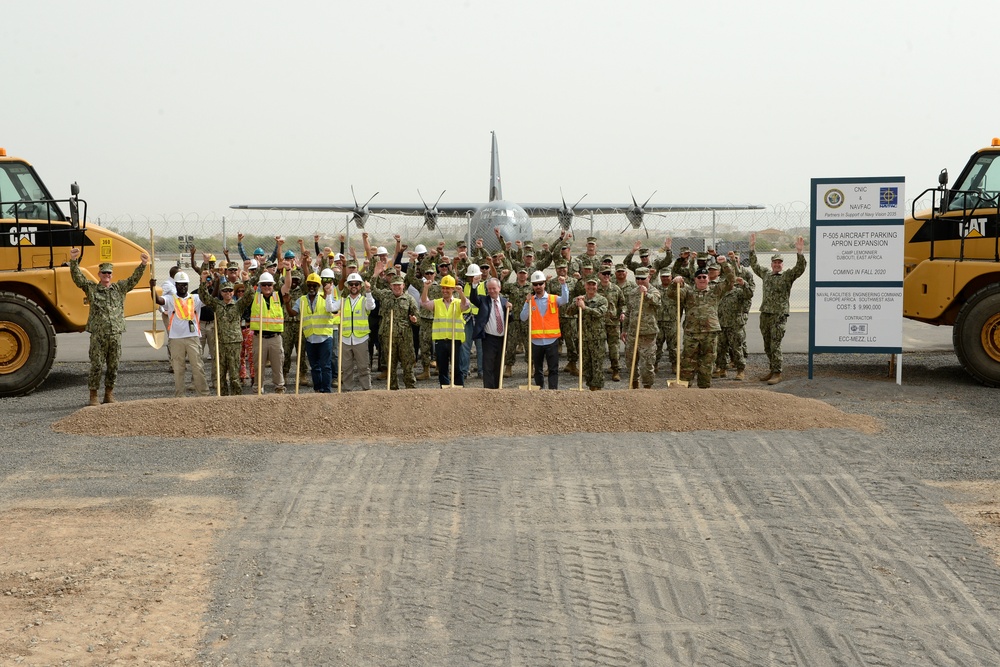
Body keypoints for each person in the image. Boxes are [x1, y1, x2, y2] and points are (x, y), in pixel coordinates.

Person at [68, 248, 150, 406]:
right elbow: (78, 279)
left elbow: (134, 279)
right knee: (97, 365)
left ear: (112, 275)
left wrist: (143, 264)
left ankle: (109, 394)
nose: (106, 276)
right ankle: (93, 396)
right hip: (98, 335)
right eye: (104, 273)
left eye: (109, 273)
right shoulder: (92, 288)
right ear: (99, 274)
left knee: (113, 366)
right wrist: (73, 261)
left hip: (115, 334)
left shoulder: (119, 289)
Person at [668, 258, 737, 389]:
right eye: (699, 277)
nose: (701, 279)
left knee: (707, 363)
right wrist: (674, 282)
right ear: (695, 279)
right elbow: (671, 294)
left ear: (708, 278)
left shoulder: (715, 291)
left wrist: (724, 264)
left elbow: (730, 280)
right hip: (692, 333)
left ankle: (704, 391)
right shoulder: (687, 292)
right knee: (687, 362)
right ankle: (684, 390)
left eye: (704, 276)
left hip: (710, 333)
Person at [750, 234, 806, 385]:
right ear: (771, 264)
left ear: (782, 264)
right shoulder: (766, 274)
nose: (777, 264)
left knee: (775, 344)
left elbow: (799, 269)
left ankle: (777, 372)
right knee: (767, 344)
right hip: (766, 313)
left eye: (779, 262)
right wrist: (752, 248)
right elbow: (754, 265)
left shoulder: (787, 276)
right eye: (775, 262)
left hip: (778, 315)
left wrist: (800, 253)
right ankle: (772, 369)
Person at [151, 271, 211, 398]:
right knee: (178, 369)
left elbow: (210, 298)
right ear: (176, 285)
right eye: (180, 285)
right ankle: (180, 396)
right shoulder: (171, 299)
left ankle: (204, 394)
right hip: (176, 339)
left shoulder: (195, 298)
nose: (183, 287)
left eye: (185, 285)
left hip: (193, 337)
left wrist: (206, 283)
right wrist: (152, 288)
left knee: (198, 367)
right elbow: (158, 300)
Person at [200, 280, 257, 395]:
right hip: (220, 343)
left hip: (234, 343)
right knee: (221, 374)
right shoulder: (217, 304)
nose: (228, 293)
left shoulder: (238, 305)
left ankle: (236, 398)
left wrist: (246, 281)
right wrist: (203, 283)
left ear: (233, 292)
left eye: (230, 290)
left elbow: (250, 295)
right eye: (225, 290)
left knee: (234, 373)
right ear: (221, 292)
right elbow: (204, 297)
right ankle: (223, 399)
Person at [291, 272, 340, 393]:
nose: (312, 288)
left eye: (315, 285)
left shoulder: (326, 297)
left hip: (324, 337)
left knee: (326, 366)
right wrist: (287, 303)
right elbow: (293, 313)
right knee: (315, 367)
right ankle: (318, 389)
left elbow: (334, 310)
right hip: (310, 338)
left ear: (319, 286)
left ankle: (327, 390)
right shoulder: (301, 300)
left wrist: (328, 296)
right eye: (310, 285)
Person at [521, 270, 570, 389]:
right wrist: (528, 303)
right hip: (536, 341)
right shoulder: (530, 300)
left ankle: (553, 391)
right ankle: (539, 389)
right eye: (535, 284)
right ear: (532, 285)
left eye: (540, 283)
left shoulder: (554, 299)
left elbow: (565, 299)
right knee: (538, 369)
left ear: (544, 284)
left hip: (551, 341)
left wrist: (563, 285)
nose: (538, 286)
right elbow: (523, 318)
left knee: (553, 369)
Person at [420, 274, 471, 387]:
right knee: (442, 368)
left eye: (447, 288)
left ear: (452, 289)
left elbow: (466, 305)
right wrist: (426, 288)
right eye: (443, 288)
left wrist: (461, 293)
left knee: (457, 366)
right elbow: (424, 303)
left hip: (456, 340)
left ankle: (458, 388)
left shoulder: (458, 302)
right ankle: (444, 388)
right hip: (441, 340)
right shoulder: (437, 303)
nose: (445, 290)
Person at [372, 274, 419, 390]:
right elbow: (372, 289)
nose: (397, 287)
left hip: (405, 339)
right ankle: (392, 390)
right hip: (388, 338)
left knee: (408, 365)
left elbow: (417, 317)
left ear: (403, 286)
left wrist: (414, 320)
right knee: (390, 366)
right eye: (394, 285)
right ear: (390, 286)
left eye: (399, 285)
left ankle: (410, 389)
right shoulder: (385, 296)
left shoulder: (409, 299)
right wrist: (375, 274)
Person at [621, 267, 661, 388]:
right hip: (633, 333)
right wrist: (624, 329)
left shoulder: (654, 291)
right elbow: (628, 312)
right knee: (630, 361)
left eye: (643, 279)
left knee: (647, 364)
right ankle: (634, 385)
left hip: (648, 334)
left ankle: (647, 387)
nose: (640, 281)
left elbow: (657, 302)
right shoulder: (632, 293)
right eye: (637, 279)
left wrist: (646, 294)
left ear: (649, 277)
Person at [468, 277, 510, 389]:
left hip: (502, 338)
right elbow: (473, 298)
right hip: (489, 338)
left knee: (499, 364)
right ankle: (489, 390)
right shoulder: (483, 300)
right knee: (488, 365)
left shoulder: (505, 302)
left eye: (493, 288)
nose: (491, 291)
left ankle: (498, 387)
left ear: (499, 288)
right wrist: (474, 285)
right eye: (489, 289)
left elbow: (510, 318)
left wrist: (510, 311)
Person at [568, 276, 609, 391]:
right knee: (586, 364)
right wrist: (576, 304)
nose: (591, 287)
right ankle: (590, 386)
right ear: (585, 286)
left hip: (597, 337)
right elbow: (569, 312)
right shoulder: (579, 299)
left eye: (593, 285)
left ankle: (598, 388)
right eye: (588, 285)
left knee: (597, 364)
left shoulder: (602, 300)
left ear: (597, 286)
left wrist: (585, 308)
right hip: (583, 337)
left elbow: (600, 313)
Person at [249, 270, 286, 393]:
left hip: (275, 338)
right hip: (259, 338)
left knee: (277, 365)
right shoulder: (254, 297)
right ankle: (258, 388)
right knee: (258, 366)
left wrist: (289, 270)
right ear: (260, 286)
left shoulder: (278, 296)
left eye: (269, 284)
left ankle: (279, 388)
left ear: (273, 286)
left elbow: (288, 286)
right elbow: (247, 287)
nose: (266, 287)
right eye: (264, 284)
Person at [339, 272, 376, 391]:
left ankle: (366, 390)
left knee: (363, 367)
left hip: (361, 339)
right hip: (345, 339)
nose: (353, 286)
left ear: (360, 286)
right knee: (346, 368)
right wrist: (329, 294)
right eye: (351, 284)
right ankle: (347, 390)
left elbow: (371, 306)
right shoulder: (343, 301)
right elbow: (330, 308)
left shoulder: (365, 300)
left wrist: (369, 291)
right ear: (348, 286)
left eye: (356, 284)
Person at [596, 266, 625, 382]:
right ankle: (598, 372)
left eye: (608, 274)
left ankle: (616, 370)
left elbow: (623, 303)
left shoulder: (616, 289)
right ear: (599, 274)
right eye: (604, 274)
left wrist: (623, 312)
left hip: (613, 323)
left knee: (614, 349)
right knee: (599, 349)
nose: (606, 276)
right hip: (599, 323)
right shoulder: (595, 288)